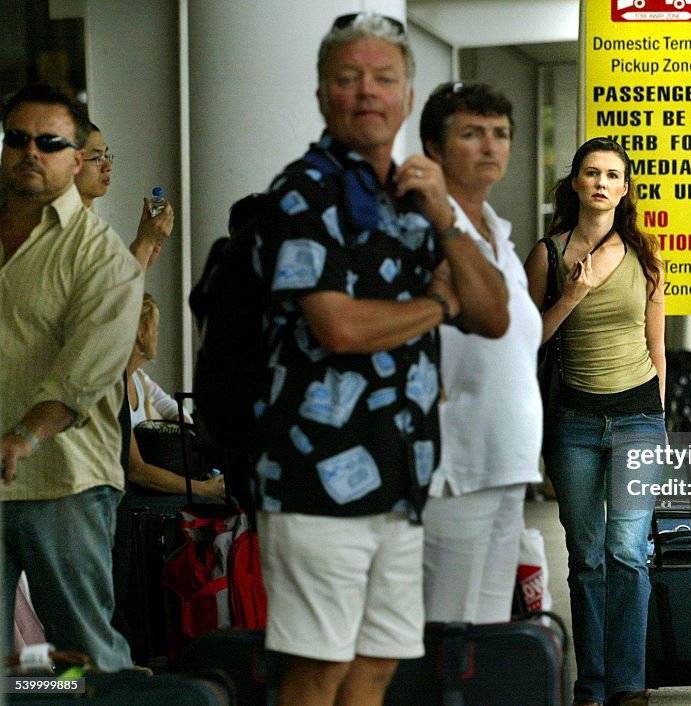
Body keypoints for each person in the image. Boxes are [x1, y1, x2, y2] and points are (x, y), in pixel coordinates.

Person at [252, 14, 508, 706]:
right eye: (348, 77)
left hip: (400, 483)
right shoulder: (301, 192)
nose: (367, 92)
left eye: (384, 78)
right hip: (314, 485)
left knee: (376, 666)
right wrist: (435, 308)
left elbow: (494, 315)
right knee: (316, 673)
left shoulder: (417, 197)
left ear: (404, 96)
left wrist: (447, 220)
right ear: (321, 96)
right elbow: (337, 327)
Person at [0, 84, 142, 671]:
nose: (31, 151)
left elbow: (81, 375)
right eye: (17, 139)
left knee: (84, 657)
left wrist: (23, 438)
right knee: (16, 675)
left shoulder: (102, 257)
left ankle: (86, 698)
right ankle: (39, 699)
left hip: (64, 482)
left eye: (50, 142)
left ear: (76, 159)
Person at [524, 137, 665, 706]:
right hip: (575, 422)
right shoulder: (548, 254)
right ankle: (592, 683)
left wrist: (660, 411)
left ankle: (628, 682)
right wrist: (573, 292)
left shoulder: (647, 253)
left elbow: (658, 345)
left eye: (613, 174)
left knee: (627, 552)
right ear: (575, 184)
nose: (602, 182)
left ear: (625, 189)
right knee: (585, 558)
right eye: (591, 173)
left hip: (637, 417)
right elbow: (525, 338)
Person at [418, 81, 543, 622]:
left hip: (508, 458)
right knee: (445, 625)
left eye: (501, 134)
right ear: (436, 149)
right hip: (453, 463)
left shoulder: (500, 235)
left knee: (491, 626)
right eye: (472, 134)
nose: (491, 146)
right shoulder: (422, 231)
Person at [124, 292, 223, 499]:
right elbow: (137, 470)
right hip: (135, 495)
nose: (158, 335)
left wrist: (181, 431)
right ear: (141, 335)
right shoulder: (115, 387)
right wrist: (202, 488)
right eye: (155, 329)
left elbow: (172, 407)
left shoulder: (140, 379)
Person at [74, 121, 175, 270]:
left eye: (107, 155)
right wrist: (144, 245)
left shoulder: (89, 220)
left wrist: (143, 253)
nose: (108, 166)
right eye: (97, 158)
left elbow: (117, 286)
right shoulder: (66, 227)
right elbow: (108, 293)